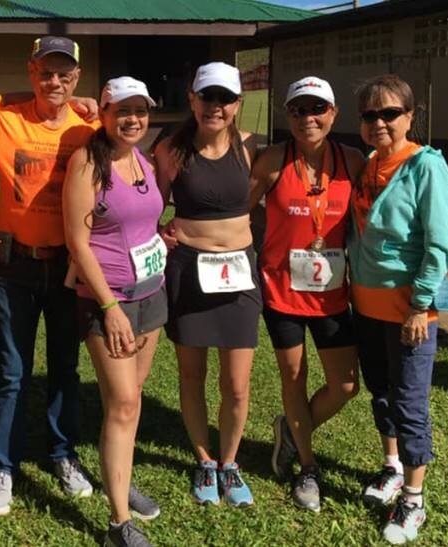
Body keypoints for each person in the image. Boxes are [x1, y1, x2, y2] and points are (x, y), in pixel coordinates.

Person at [0, 36, 101, 515]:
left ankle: (62, 455)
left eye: (64, 74)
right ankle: (3, 467)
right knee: (12, 372)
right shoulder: (5, 122)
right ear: (32, 72)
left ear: (76, 77)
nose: (55, 81)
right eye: (46, 72)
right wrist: (7, 95)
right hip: (17, 266)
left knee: (65, 368)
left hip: (69, 265)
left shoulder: (88, 127)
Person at [349, 74, 448, 545]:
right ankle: (392, 466)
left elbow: (440, 245)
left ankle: (413, 499)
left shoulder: (426, 166)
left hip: (409, 312)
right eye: (370, 115)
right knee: (381, 392)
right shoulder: (370, 163)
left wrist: (421, 305)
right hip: (366, 306)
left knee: (410, 404)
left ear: (411, 117)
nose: (379, 122)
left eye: (390, 113)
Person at [250, 76, 363, 512]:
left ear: (333, 114)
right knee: (293, 379)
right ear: (287, 115)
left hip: (332, 295)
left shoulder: (352, 161)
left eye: (317, 109)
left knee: (346, 385)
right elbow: (241, 210)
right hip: (282, 293)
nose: (307, 118)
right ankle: (309, 466)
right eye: (298, 110)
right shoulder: (274, 160)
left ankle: (292, 430)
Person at [63, 76, 166, 547]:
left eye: (140, 110)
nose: (132, 119)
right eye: (122, 110)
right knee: (123, 402)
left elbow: (141, 221)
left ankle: (118, 480)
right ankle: (118, 524)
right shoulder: (88, 162)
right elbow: (78, 242)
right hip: (111, 301)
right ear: (103, 113)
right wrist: (109, 308)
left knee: (130, 398)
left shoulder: (141, 158)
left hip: (152, 293)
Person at [154, 62, 259, 507]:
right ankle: (203, 458)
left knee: (236, 385)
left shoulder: (254, 149)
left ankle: (229, 463)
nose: (215, 106)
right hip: (189, 271)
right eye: (207, 97)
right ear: (192, 99)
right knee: (191, 373)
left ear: (237, 105)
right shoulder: (170, 151)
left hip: (239, 276)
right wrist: (159, 232)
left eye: (225, 98)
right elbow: (149, 207)